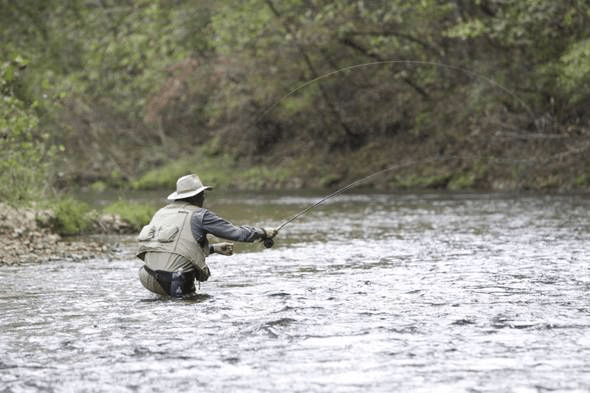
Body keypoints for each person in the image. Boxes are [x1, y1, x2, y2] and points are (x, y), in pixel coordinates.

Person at [136, 174, 277, 297]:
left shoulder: (161, 212)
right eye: (203, 194)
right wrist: (264, 232)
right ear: (196, 196)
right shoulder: (200, 215)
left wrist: (214, 248)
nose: (204, 197)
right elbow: (237, 233)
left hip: (147, 276)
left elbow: (173, 247)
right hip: (174, 280)